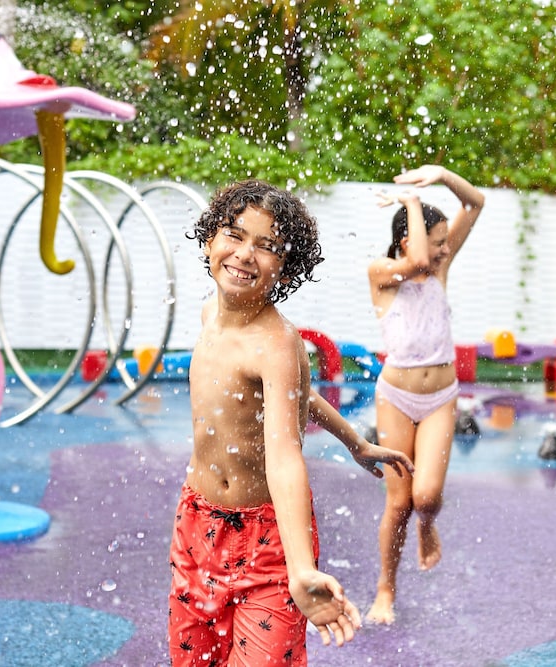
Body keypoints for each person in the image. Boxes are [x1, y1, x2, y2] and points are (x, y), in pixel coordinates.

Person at [168, 179, 414, 666]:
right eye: (234, 235)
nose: (245, 254)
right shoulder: (209, 315)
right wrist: (355, 442)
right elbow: (296, 396)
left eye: (266, 246)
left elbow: (284, 456)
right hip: (197, 526)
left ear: (285, 267)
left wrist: (301, 569)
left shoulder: (278, 342)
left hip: (266, 540)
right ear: (210, 239)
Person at [365, 164, 485, 625]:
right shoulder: (381, 273)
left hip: (439, 398)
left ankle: (428, 525)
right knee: (399, 504)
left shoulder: (440, 268)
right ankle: (385, 589)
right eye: (438, 242)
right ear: (406, 241)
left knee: (427, 497)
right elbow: (416, 262)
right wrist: (412, 201)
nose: (444, 249)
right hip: (396, 398)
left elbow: (475, 203)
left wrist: (442, 175)